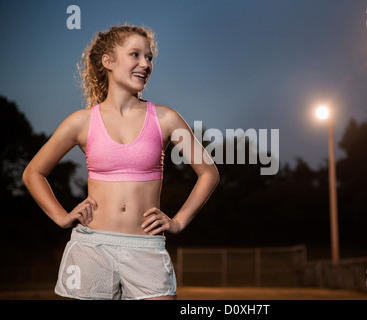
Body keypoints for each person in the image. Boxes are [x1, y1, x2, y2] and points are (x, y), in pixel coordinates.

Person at [22, 24, 220, 300]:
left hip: (146, 250)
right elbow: (33, 172)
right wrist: (61, 216)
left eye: (149, 57)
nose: (145, 64)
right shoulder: (81, 121)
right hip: (91, 248)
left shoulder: (165, 119)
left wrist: (179, 221)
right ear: (109, 62)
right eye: (135, 55)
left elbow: (208, 173)